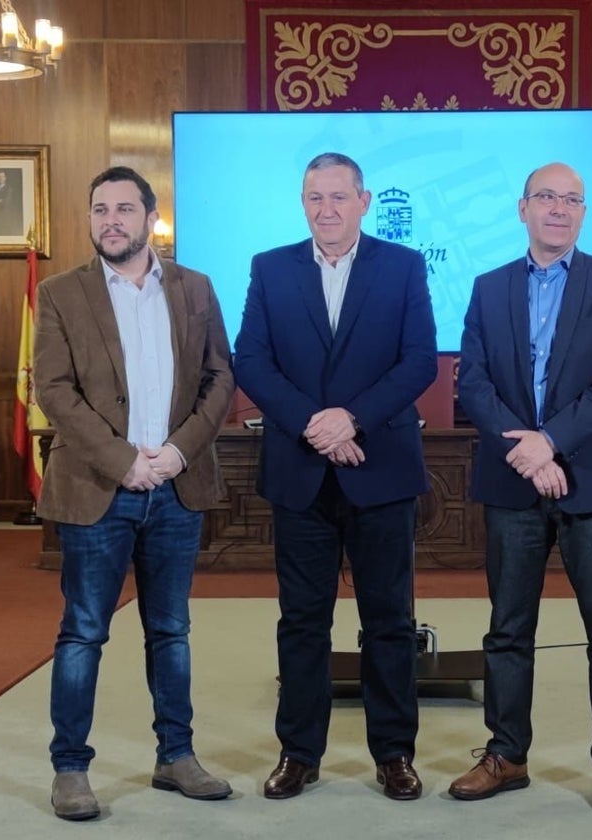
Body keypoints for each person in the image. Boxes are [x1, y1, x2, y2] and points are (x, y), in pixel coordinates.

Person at [233, 152, 437, 801]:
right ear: (304, 203)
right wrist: (313, 425)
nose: (326, 209)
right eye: (314, 198)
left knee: (389, 621)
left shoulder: (402, 267)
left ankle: (395, 753)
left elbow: (419, 361)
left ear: (364, 200)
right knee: (301, 621)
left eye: (338, 197)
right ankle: (299, 752)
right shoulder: (270, 268)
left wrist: (351, 419)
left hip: (381, 467)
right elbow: (252, 361)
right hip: (300, 473)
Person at [33, 166, 235, 821]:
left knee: (170, 630)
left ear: (150, 217)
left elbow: (218, 378)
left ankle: (176, 757)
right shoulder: (61, 293)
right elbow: (54, 390)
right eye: (99, 210)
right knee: (84, 632)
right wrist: (124, 461)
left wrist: (177, 452)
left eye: (124, 208)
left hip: (176, 488)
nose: (111, 220)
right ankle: (70, 769)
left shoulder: (195, 289)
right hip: (100, 488)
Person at [448, 162, 592, 814]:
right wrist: (529, 454)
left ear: (583, 213)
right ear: (522, 208)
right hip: (512, 483)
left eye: (571, 200)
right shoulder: (487, 287)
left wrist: (551, 441)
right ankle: (506, 754)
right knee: (507, 630)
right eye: (546, 197)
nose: (558, 209)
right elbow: (473, 383)